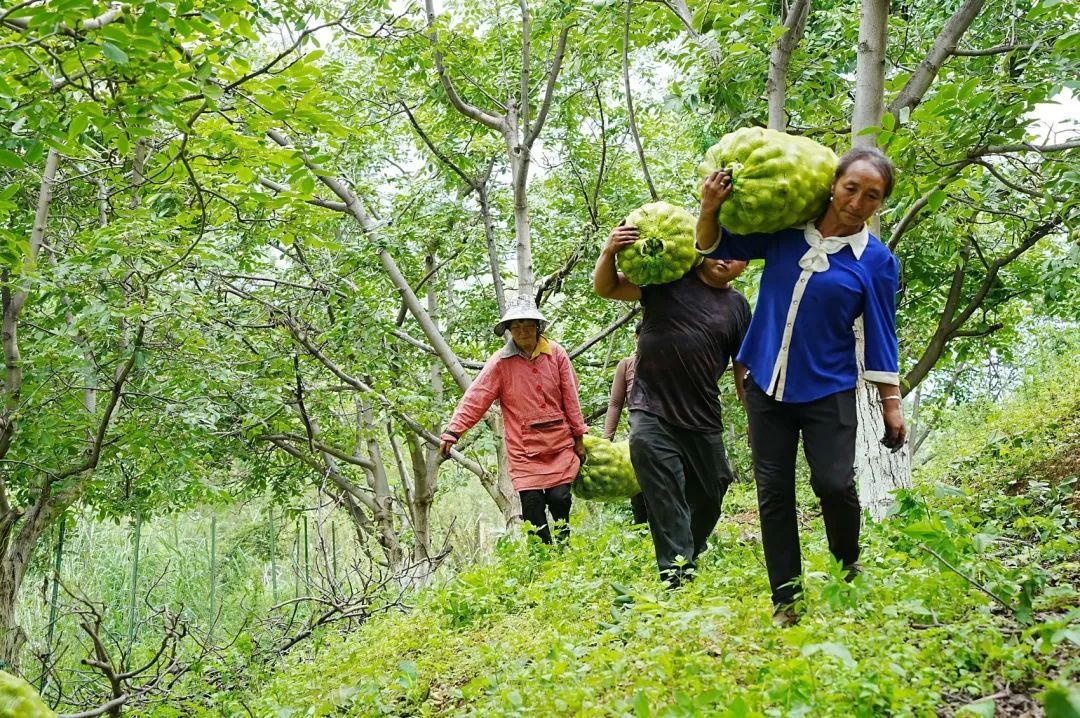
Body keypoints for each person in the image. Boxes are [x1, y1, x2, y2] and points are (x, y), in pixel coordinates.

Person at [696, 146, 907, 624]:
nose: (857, 201)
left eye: (871, 196)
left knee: (833, 484)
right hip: (764, 383)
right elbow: (714, 247)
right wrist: (709, 207)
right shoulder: (785, 234)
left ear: (880, 204)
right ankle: (786, 600)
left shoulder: (876, 262)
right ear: (833, 185)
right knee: (773, 492)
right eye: (851, 188)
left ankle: (846, 562)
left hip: (828, 386)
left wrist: (890, 404)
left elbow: (881, 333)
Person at [594, 232, 750, 587]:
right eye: (719, 250)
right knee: (665, 494)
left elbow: (743, 368)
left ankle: (688, 552)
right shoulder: (669, 281)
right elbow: (608, 288)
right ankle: (676, 576)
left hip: (703, 415)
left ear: (746, 265)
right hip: (651, 410)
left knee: (713, 490)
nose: (726, 259)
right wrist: (608, 252)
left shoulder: (738, 307)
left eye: (737, 256)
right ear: (705, 249)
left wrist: (754, 414)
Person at [439, 297, 588, 544]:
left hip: (559, 442)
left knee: (560, 498)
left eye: (527, 324)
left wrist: (579, 437)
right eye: (516, 326)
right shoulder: (500, 362)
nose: (523, 330)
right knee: (532, 505)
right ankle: (542, 559)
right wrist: (453, 432)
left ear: (537, 326)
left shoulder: (556, 354)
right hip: (523, 447)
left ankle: (563, 550)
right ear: (508, 330)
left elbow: (571, 397)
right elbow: (477, 397)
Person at [602, 322, 648, 524]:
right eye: (643, 335)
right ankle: (642, 531)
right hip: (638, 435)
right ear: (636, 337)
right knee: (638, 487)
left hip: (669, 434)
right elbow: (615, 404)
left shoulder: (667, 360)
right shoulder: (626, 365)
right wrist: (606, 441)